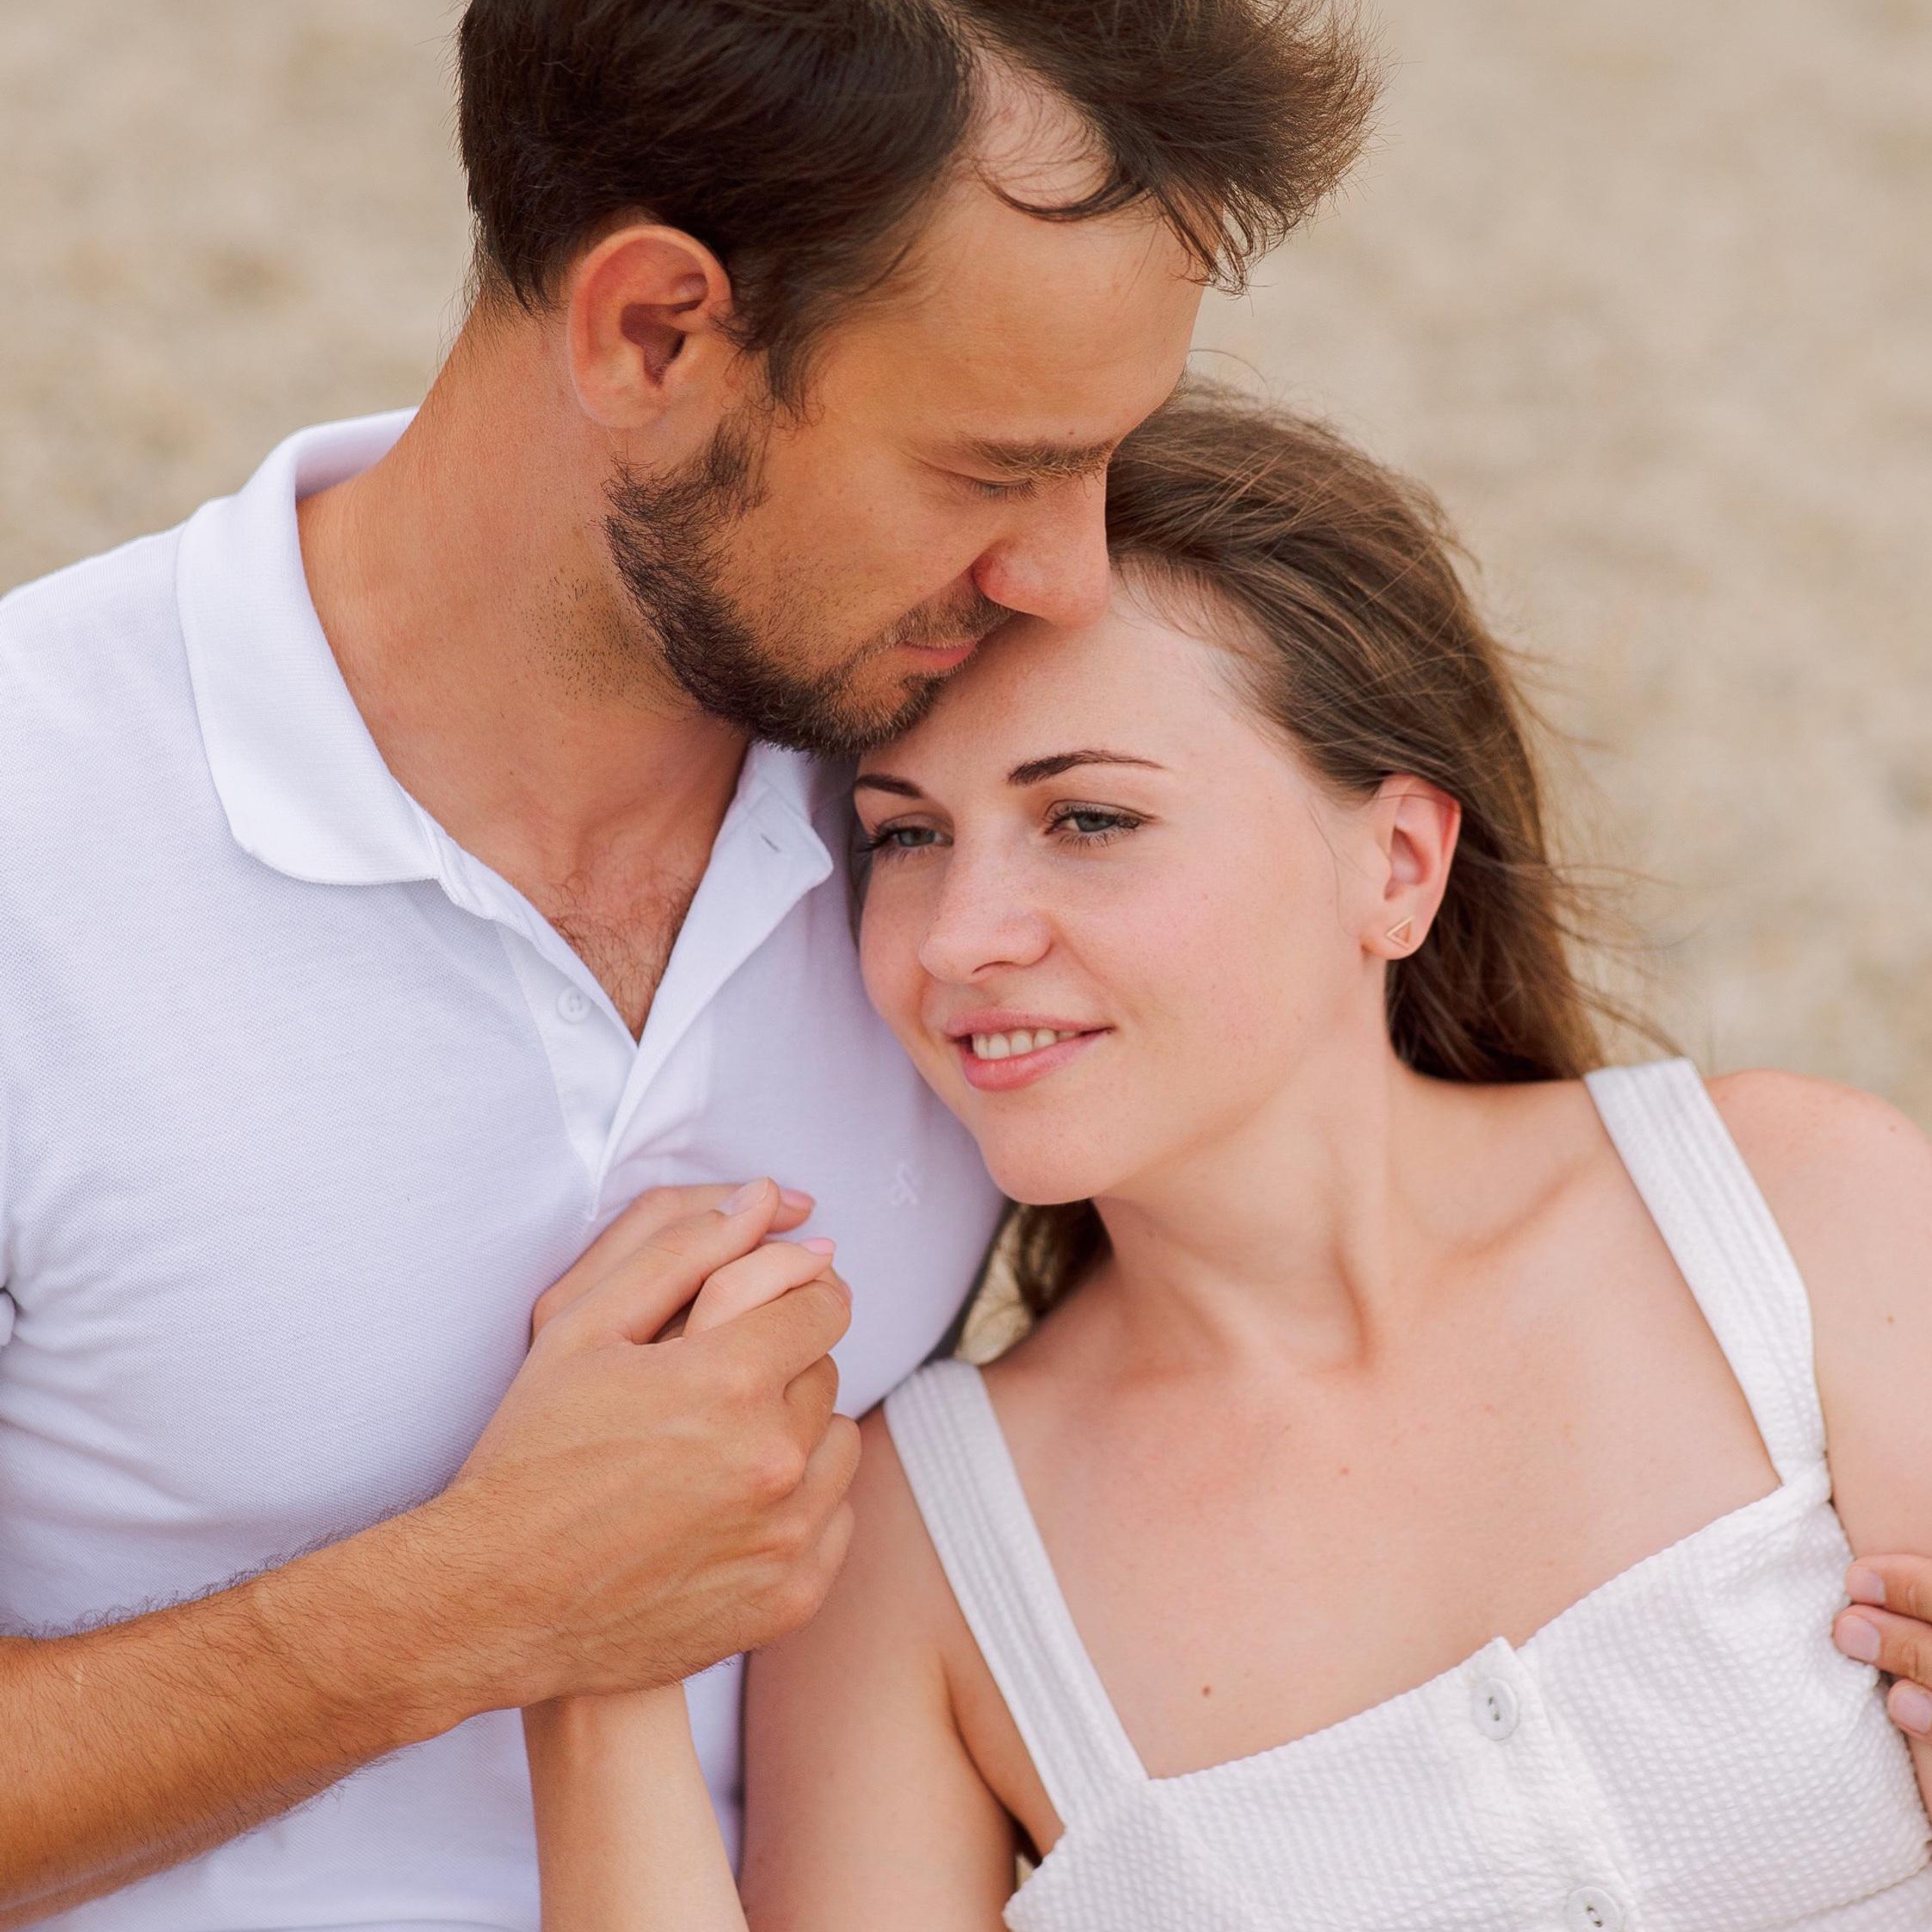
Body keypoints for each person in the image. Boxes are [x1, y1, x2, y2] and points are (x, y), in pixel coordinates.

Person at [0, 3, 1378, 1924]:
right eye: (993, 471)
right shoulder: (32, 844)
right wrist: (465, 1607)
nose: (1066, 577)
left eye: (1103, 463)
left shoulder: (974, 828)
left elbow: (1362, 1248)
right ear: (649, 330)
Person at [524, 389, 1932, 1929]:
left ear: (1393, 863)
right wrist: (585, 1656)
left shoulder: (1799, 1209)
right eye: (907, 836)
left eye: (1088, 816)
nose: (960, 937)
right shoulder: (913, 1551)